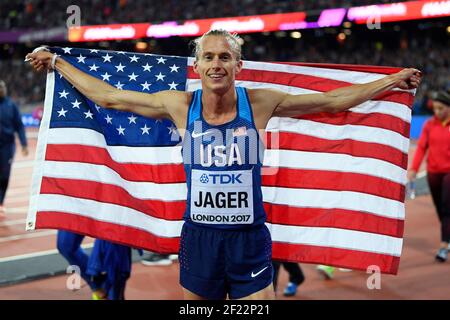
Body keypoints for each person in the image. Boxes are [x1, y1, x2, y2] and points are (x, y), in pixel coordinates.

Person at [27, 29, 421, 300]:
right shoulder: (179, 104)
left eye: (225, 57)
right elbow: (110, 97)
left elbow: (333, 101)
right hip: (199, 239)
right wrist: (58, 62)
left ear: (238, 66)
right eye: (209, 56)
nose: (217, 63)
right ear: (196, 66)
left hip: (249, 239)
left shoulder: (261, 103)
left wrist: (392, 81)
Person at [408, 90, 450, 262]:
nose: (437, 112)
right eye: (435, 109)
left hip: (449, 172)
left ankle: (443, 246)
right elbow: (421, 148)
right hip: (433, 172)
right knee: (440, 208)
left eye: (441, 108)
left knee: (447, 207)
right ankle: (448, 235)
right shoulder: (429, 125)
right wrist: (414, 169)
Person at [0, 80, 28, 218]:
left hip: (7, 146)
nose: (2, 89)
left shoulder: (11, 105)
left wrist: (24, 144)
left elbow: (19, 125)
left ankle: (0, 202)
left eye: (3, 87)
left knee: (4, 175)